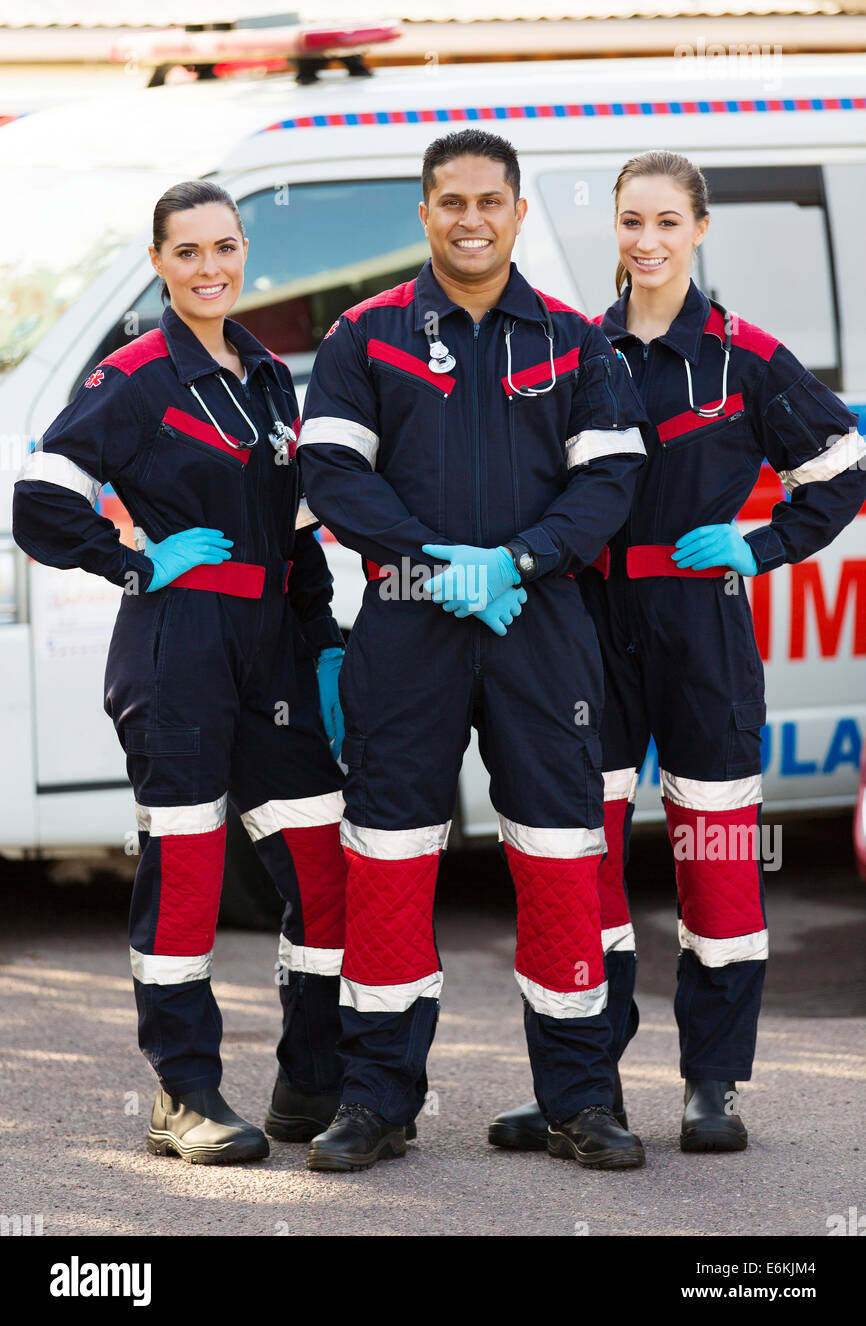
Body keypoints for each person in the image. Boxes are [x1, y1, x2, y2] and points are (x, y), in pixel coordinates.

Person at [488, 150, 866, 1155]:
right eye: (628, 222)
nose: (645, 241)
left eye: (665, 222)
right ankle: (585, 1087)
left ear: (698, 229)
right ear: (610, 229)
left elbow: (839, 469)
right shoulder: (575, 352)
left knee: (716, 863)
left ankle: (710, 1085)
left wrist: (758, 541)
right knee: (582, 863)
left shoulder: (744, 357)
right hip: (587, 629)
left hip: (702, 632)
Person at [297, 129, 649, 1173]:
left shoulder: (576, 344)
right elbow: (330, 473)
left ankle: (578, 1101)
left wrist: (518, 563)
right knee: (391, 855)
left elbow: (609, 482)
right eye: (450, 201)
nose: (470, 218)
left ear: (517, 212)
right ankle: (375, 1099)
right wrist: (436, 564)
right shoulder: (363, 335)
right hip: (408, 619)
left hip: (538, 625)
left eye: (489, 201)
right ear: (422, 212)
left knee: (556, 855)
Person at [13, 180, 353, 1164]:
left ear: (246, 253)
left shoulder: (262, 375)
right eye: (188, 252)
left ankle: (310, 1077)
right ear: (157, 263)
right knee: (190, 871)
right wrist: (134, 559)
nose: (211, 268)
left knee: (323, 867)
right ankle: (184, 1092)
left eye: (225, 247)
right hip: (178, 648)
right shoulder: (132, 378)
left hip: (273, 646)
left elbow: (293, 525)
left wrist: (323, 635)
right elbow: (41, 498)